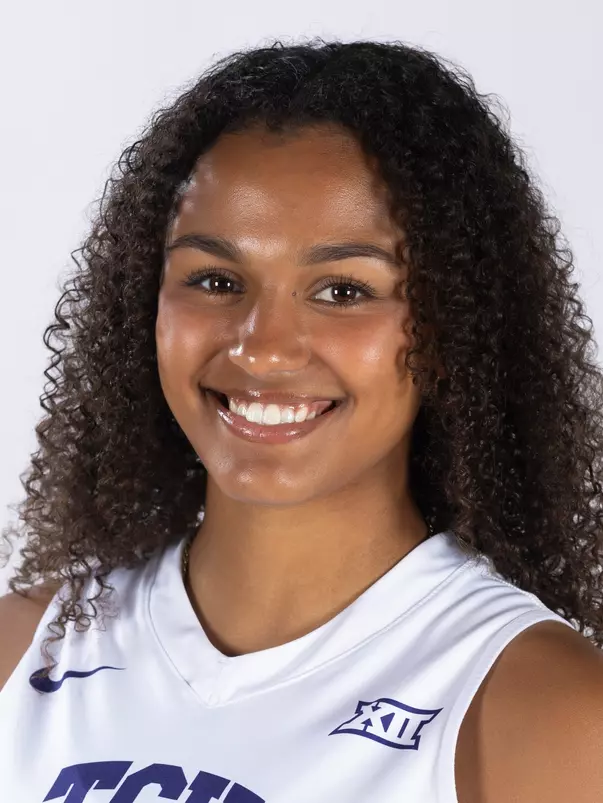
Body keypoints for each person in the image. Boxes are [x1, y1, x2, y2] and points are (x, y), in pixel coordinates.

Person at [0, 38, 602, 803]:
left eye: (343, 291)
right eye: (215, 279)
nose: (263, 346)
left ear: (453, 329)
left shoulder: (537, 713)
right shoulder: (19, 657)